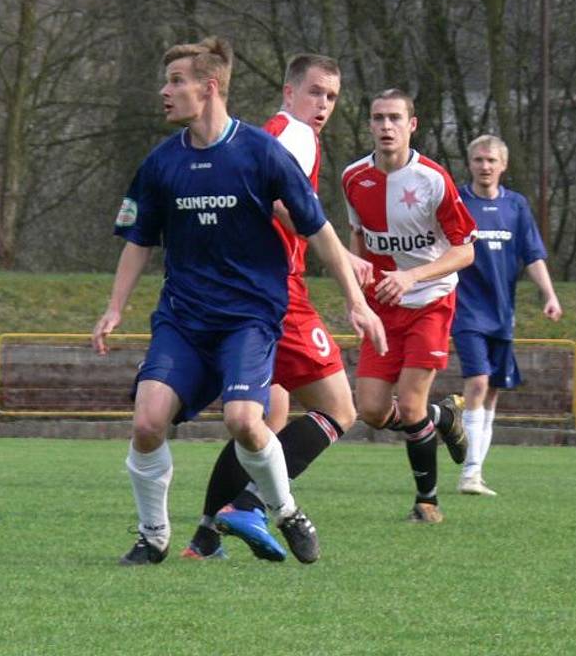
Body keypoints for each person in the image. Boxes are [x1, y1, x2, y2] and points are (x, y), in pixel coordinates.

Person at [92, 36, 387, 566]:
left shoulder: (261, 151)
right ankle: (153, 535)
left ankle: (284, 510)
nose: (165, 91)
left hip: (249, 318)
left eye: (175, 81)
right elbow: (139, 241)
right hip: (183, 319)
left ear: (208, 89)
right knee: (146, 421)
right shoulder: (161, 163)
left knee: (246, 419)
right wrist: (115, 307)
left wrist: (356, 301)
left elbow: (317, 229)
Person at [182, 53, 372, 564]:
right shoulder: (295, 135)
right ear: (289, 92)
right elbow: (279, 204)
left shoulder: (260, 134)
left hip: (244, 288)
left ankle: (205, 538)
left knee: (267, 415)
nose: (323, 106)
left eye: (331, 97)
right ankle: (246, 505)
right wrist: (336, 253)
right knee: (339, 409)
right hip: (279, 294)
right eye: (315, 92)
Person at [342, 89, 476, 524]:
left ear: (411, 125)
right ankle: (444, 417)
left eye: (394, 118)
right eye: (378, 118)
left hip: (430, 301)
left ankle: (427, 502)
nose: (386, 127)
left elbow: (465, 250)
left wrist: (411, 276)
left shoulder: (433, 179)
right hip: (383, 306)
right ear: (369, 125)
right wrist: (355, 295)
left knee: (410, 404)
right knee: (373, 412)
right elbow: (357, 240)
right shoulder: (353, 179)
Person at [452, 134, 562, 496]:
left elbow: (532, 255)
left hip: (502, 315)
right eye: (479, 160)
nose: (485, 166)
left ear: (503, 166)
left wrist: (549, 295)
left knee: (493, 393)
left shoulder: (516, 206)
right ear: (469, 164)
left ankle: (475, 472)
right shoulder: (456, 201)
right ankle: (468, 472)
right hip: (466, 310)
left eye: (491, 161)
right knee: (479, 382)